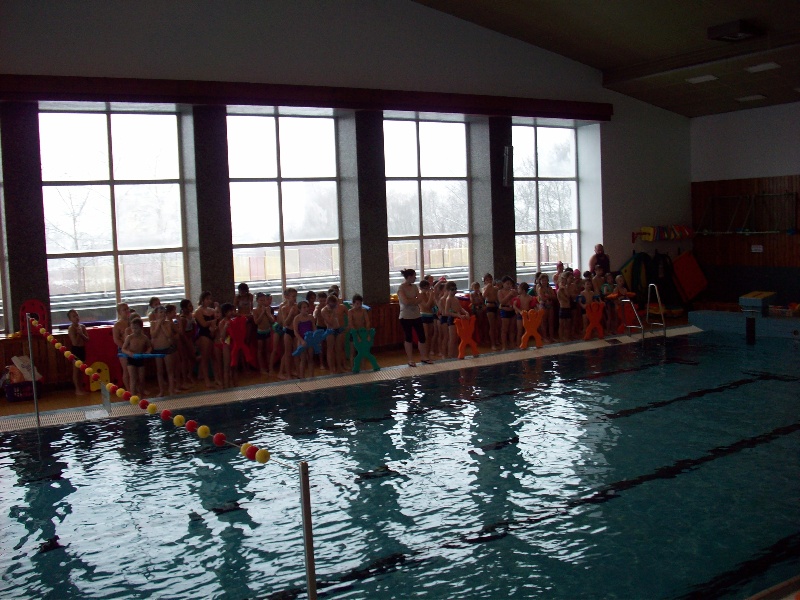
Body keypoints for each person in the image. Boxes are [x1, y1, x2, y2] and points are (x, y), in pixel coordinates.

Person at [397, 268, 432, 367]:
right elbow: (405, 302)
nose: (415, 278)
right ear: (409, 277)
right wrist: (414, 300)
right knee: (408, 337)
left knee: (422, 336)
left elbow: (419, 299)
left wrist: (411, 300)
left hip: (416, 315)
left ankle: (424, 357)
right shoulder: (401, 288)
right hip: (405, 316)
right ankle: (410, 359)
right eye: (414, 276)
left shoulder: (415, 287)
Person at [121, 316, 152, 398]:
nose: (134, 330)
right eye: (132, 328)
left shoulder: (144, 338)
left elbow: (149, 346)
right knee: (133, 379)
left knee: (141, 379)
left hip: (140, 358)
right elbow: (123, 349)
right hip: (131, 359)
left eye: (136, 328)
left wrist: (148, 351)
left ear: (141, 328)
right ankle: (133, 397)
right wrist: (129, 352)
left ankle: (142, 397)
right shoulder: (129, 337)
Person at [150, 304, 176, 397]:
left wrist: (162, 325)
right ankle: (161, 391)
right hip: (157, 350)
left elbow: (168, 335)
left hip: (167, 349)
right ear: (156, 314)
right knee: (159, 371)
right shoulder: (153, 323)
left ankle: (171, 390)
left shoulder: (168, 323)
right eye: (160, 312)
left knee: (170, 370)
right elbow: (153, 335)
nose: (163, 314)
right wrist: (158, 324)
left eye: (164, 312)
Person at [194, 291, 218, 388]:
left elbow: (217, 319)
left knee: (214, 357)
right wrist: (212, 321)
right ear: (202, 300)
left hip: (212, 333)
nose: (209, 301)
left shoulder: (212, 310)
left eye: (210, 299)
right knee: (205, 358)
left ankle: (217, 378)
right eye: (207, 299)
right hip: (204, 335)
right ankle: (206, 380)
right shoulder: (198, 311)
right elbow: (203, 324)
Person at [443, 281, 469, 358]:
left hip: (458, 318)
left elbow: (460, 308)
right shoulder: (448, 299)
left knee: (456, 339)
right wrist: (457, 315)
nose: (454, 291)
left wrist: (466, 312)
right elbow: (446, 312)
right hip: (452, 319)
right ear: (448, 290)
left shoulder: (455, 298)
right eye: (452, 289)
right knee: (452, 339)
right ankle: (450, 355)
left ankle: (455, 354)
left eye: (455, 289)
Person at [67, 309, 89, 395]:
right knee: (76, 371)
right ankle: (77, 389)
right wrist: (79, 334)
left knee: (81, 370)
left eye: (77, 315)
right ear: (70, 319)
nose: (76, 317)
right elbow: (75, 343)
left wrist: (81, 333)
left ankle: (81, 388)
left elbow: (87, 339)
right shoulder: (71, 328)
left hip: (82, 349)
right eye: (74, 316)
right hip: (75, 350)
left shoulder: (82, 327)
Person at [292, 300, 316, 379]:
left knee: (310, 359)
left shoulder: (311, 317)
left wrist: (315, 338)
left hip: (310, 340)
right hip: (301, 340)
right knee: (303, 359)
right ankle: (302, 377)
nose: (306, 309)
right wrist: (301, 340)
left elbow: (314, 328)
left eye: (307, 307)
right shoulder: (297, 318)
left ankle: (312, 377)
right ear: (299, 309)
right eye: (304, 307)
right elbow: (295, 331)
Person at [253, 292, 274, 376]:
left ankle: (269, 367)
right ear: (257, 301)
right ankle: (262, 368)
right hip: (260, 332)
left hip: (267, 331)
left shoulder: (268, 309)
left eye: (264, 300)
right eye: (261, 300)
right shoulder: (255, 310)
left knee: (268, 350)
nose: (263, 302)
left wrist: (267, 313)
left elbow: (272, 320)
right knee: (260, 351)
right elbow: (256, 322)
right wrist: (262, 313)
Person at [112, 303, 131, 392]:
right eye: (124, 310)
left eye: (127, 309)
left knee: (135, 370)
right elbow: (116, 340)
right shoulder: (117, 325)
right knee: (126, 370)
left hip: (134, 348)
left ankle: (138, 387)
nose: (127, 311)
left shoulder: (132, 321)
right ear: (119, 313)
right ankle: (129, 389)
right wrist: (125, 348)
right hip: (123, 349)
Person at [497, 276, 517, 351]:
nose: (509, 285)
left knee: (512, 329)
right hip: (505, 311)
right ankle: (504, 346)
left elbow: (517, 300)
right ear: (503, 284)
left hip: (512, 310)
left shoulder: (513, 291)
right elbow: (502, 302)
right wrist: (510, 295)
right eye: (507, 283)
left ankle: (512, 344)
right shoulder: (500, 292)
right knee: (504, 330)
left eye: (510, 284)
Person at [482, 273, 499, 351]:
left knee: (497, 326)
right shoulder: (484, 288)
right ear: (485, 281)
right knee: (492, 326)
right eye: (487, 280)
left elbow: (498, 297)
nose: (489, 281)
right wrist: (488, 288)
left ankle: (496, 340)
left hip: (496, 306)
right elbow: (483, 296)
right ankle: (493, 344)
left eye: (490, 279)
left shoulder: (495, 288)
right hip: (489, 307)